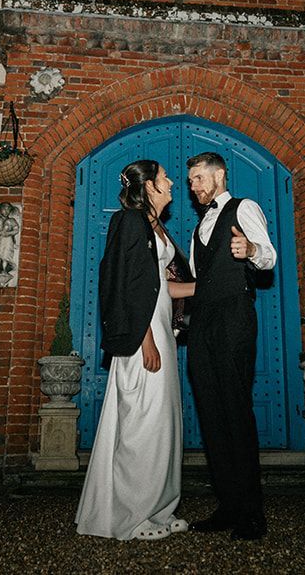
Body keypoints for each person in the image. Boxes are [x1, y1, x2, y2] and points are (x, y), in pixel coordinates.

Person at [76, 159, 194, 541]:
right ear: (148, 187)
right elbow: (123, 284)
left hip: (161, 330)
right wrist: (145, 340)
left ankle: (158, 509)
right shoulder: (128, 222)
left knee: (162, 426)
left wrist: (211, 285)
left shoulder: (157, 227)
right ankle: (132, 516)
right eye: (164, 178)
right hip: (142, 337)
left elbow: (161, 287)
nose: (172, 181)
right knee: (140, 425)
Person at [183, 151, 276, 540]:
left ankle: (252, 513)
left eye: (199, 179)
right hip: (201, 324)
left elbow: (268, 257)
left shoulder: (245, 207)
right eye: (190, 182)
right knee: (211, 412)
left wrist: (250, 252)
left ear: (219, 175)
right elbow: (196, 281)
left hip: (235, 317)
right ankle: (228, 505)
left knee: (236, 412)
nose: (194, 187)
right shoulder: (197, 227)